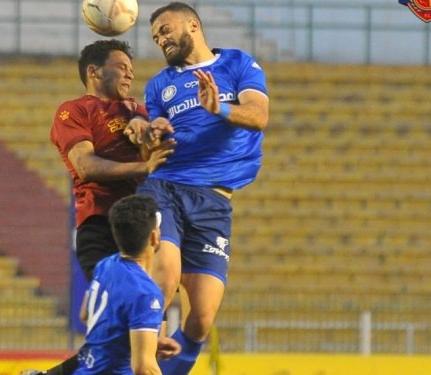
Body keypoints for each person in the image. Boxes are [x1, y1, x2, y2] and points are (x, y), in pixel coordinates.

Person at [126, 2, 271, 374]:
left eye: (165, 28)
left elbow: (258, 116)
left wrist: (220, 107)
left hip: (214, 201)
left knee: (201, 318)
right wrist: (150, 131)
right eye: (155, 35)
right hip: (166, 186)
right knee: (165, 274)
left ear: (192, 24)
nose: (160, 38)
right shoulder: (160, 83)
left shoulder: (238, 64)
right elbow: (152, 130)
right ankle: (143, 358)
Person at [25, 40, 177, 375]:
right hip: (102, 224)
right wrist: (143, 167)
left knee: (125, 326)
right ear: (94, 72)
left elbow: (145, 139)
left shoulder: (136, 110)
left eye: (131, 68)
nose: (130, 73)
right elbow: (86, 166)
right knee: (127, 325)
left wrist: (155, 133)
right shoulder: (75, 110)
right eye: (121, 66)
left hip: (142, 226)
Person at [74, 194, 167, 374]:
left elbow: (86, 315)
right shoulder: (146, 293)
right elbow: (144, 368)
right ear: (154, 237)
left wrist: (144, 339)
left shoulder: (106, 265)